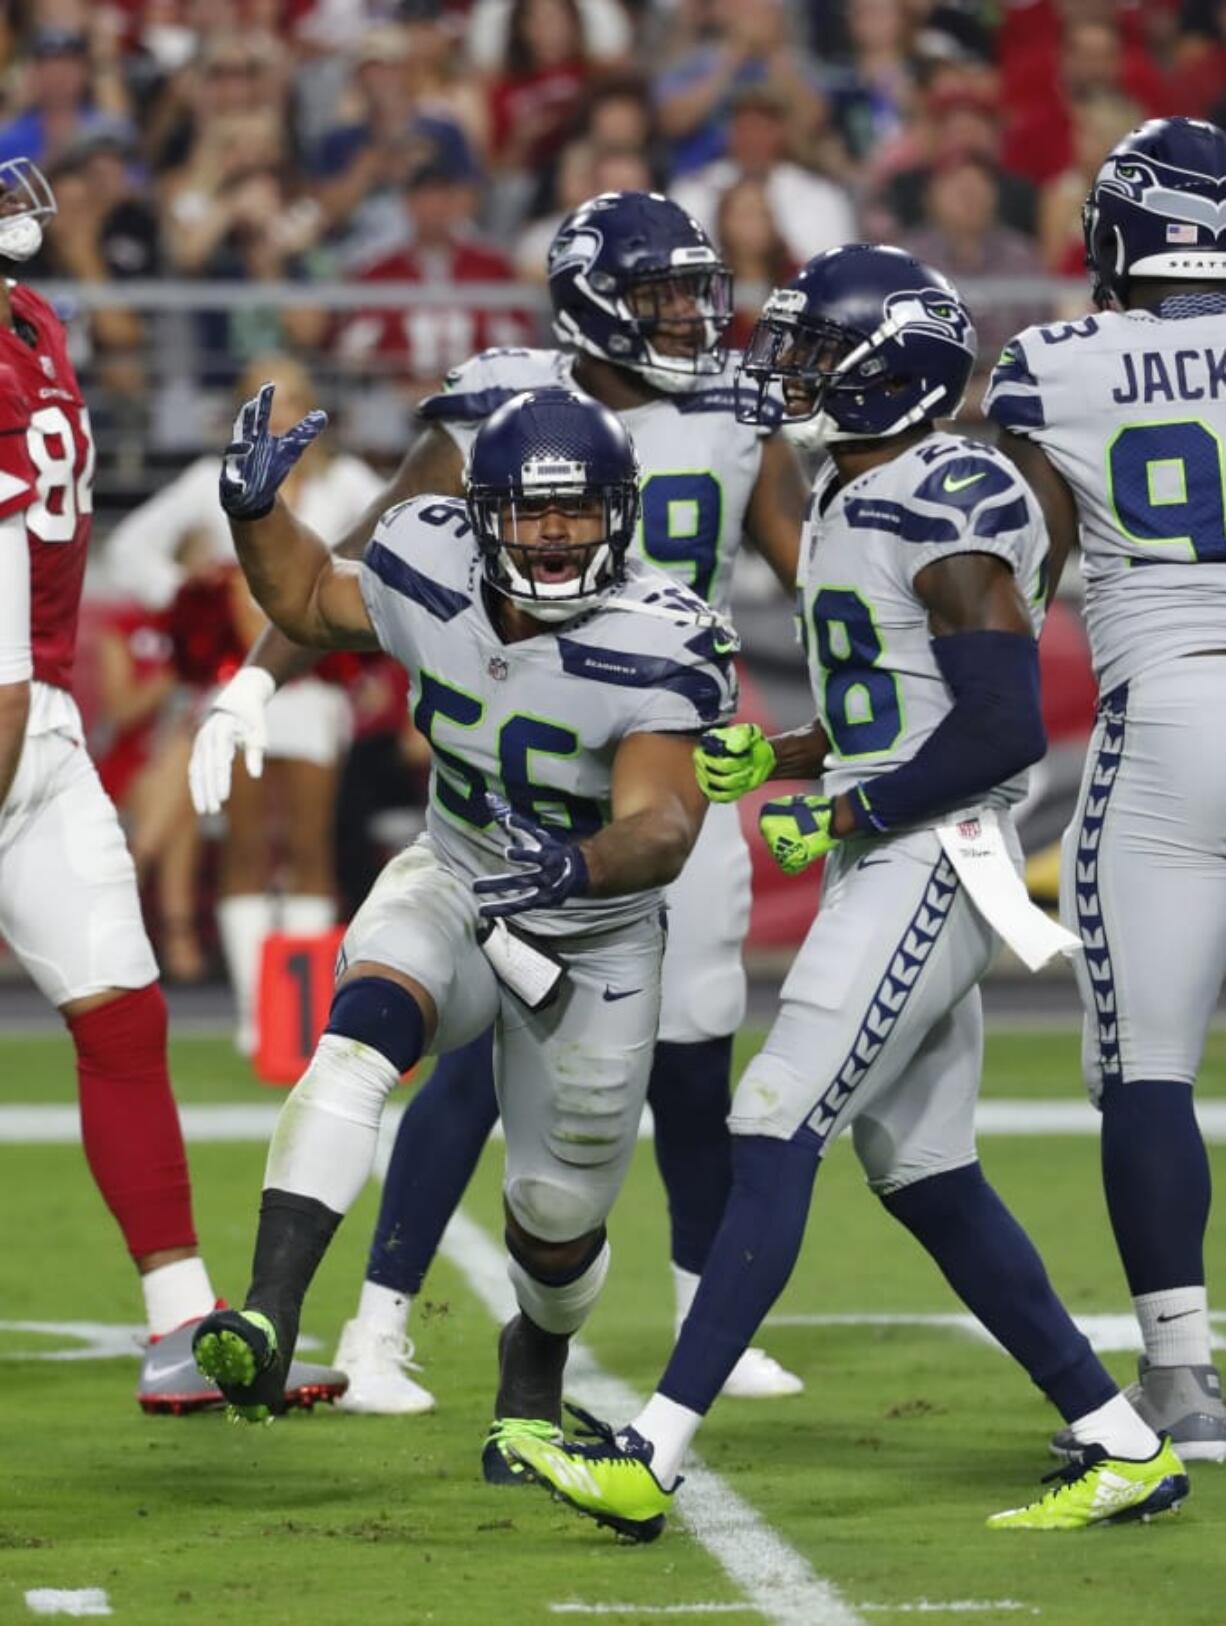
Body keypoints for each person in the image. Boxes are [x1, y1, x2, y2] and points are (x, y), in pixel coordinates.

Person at [503, 244, 1189, 1536]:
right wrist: (788, 756)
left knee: (771, 1119)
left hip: (937, 852)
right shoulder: (851, 483)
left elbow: (995, 733)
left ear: (889, 368)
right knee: (924, 1167)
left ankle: (649, 1453)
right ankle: (1119, 1441)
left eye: (814, 349)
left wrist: (847, 807)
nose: (787, 368)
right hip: (904, 841)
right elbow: (902, 707)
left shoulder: (947, 497)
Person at [189, 191, 809, 1413]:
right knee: (369, 1036)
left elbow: (663, 823)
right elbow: (326, 587)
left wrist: (579, 870)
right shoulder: (441, 531)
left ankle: (547, 1361)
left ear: (619, 520)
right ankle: (291, 1314)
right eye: (525, 513)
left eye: (576, 513)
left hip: (603, 889)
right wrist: (256, 525)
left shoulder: (671, 633)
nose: (548, 535)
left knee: (566, 1199)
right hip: (464, 858)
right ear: (474, 515)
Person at [0, 156, 344, 1414]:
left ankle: (180, 1324)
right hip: (6, 716)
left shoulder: (31, 320)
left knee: (124, 1020)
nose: (17, 209)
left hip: (35, 724)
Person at [984, 116, 1226, 1464]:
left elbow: (1017, 573)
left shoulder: (1054, 363)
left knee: (1144, 1066)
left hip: (1172, 705)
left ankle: (1181, 1376)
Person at [108, 355, 383, 1056]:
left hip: (317, 686)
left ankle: (307, 1010)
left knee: (311, 846)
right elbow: (131, 549)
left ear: (312, 406)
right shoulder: (211, 482)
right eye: (264, 400)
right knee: (248, 846)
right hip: (237, 685)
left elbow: (407, 539)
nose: (281, 414)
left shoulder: (347, 482)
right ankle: (257, 1013)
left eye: (292, 399)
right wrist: (189, 591)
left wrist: (366, 616)